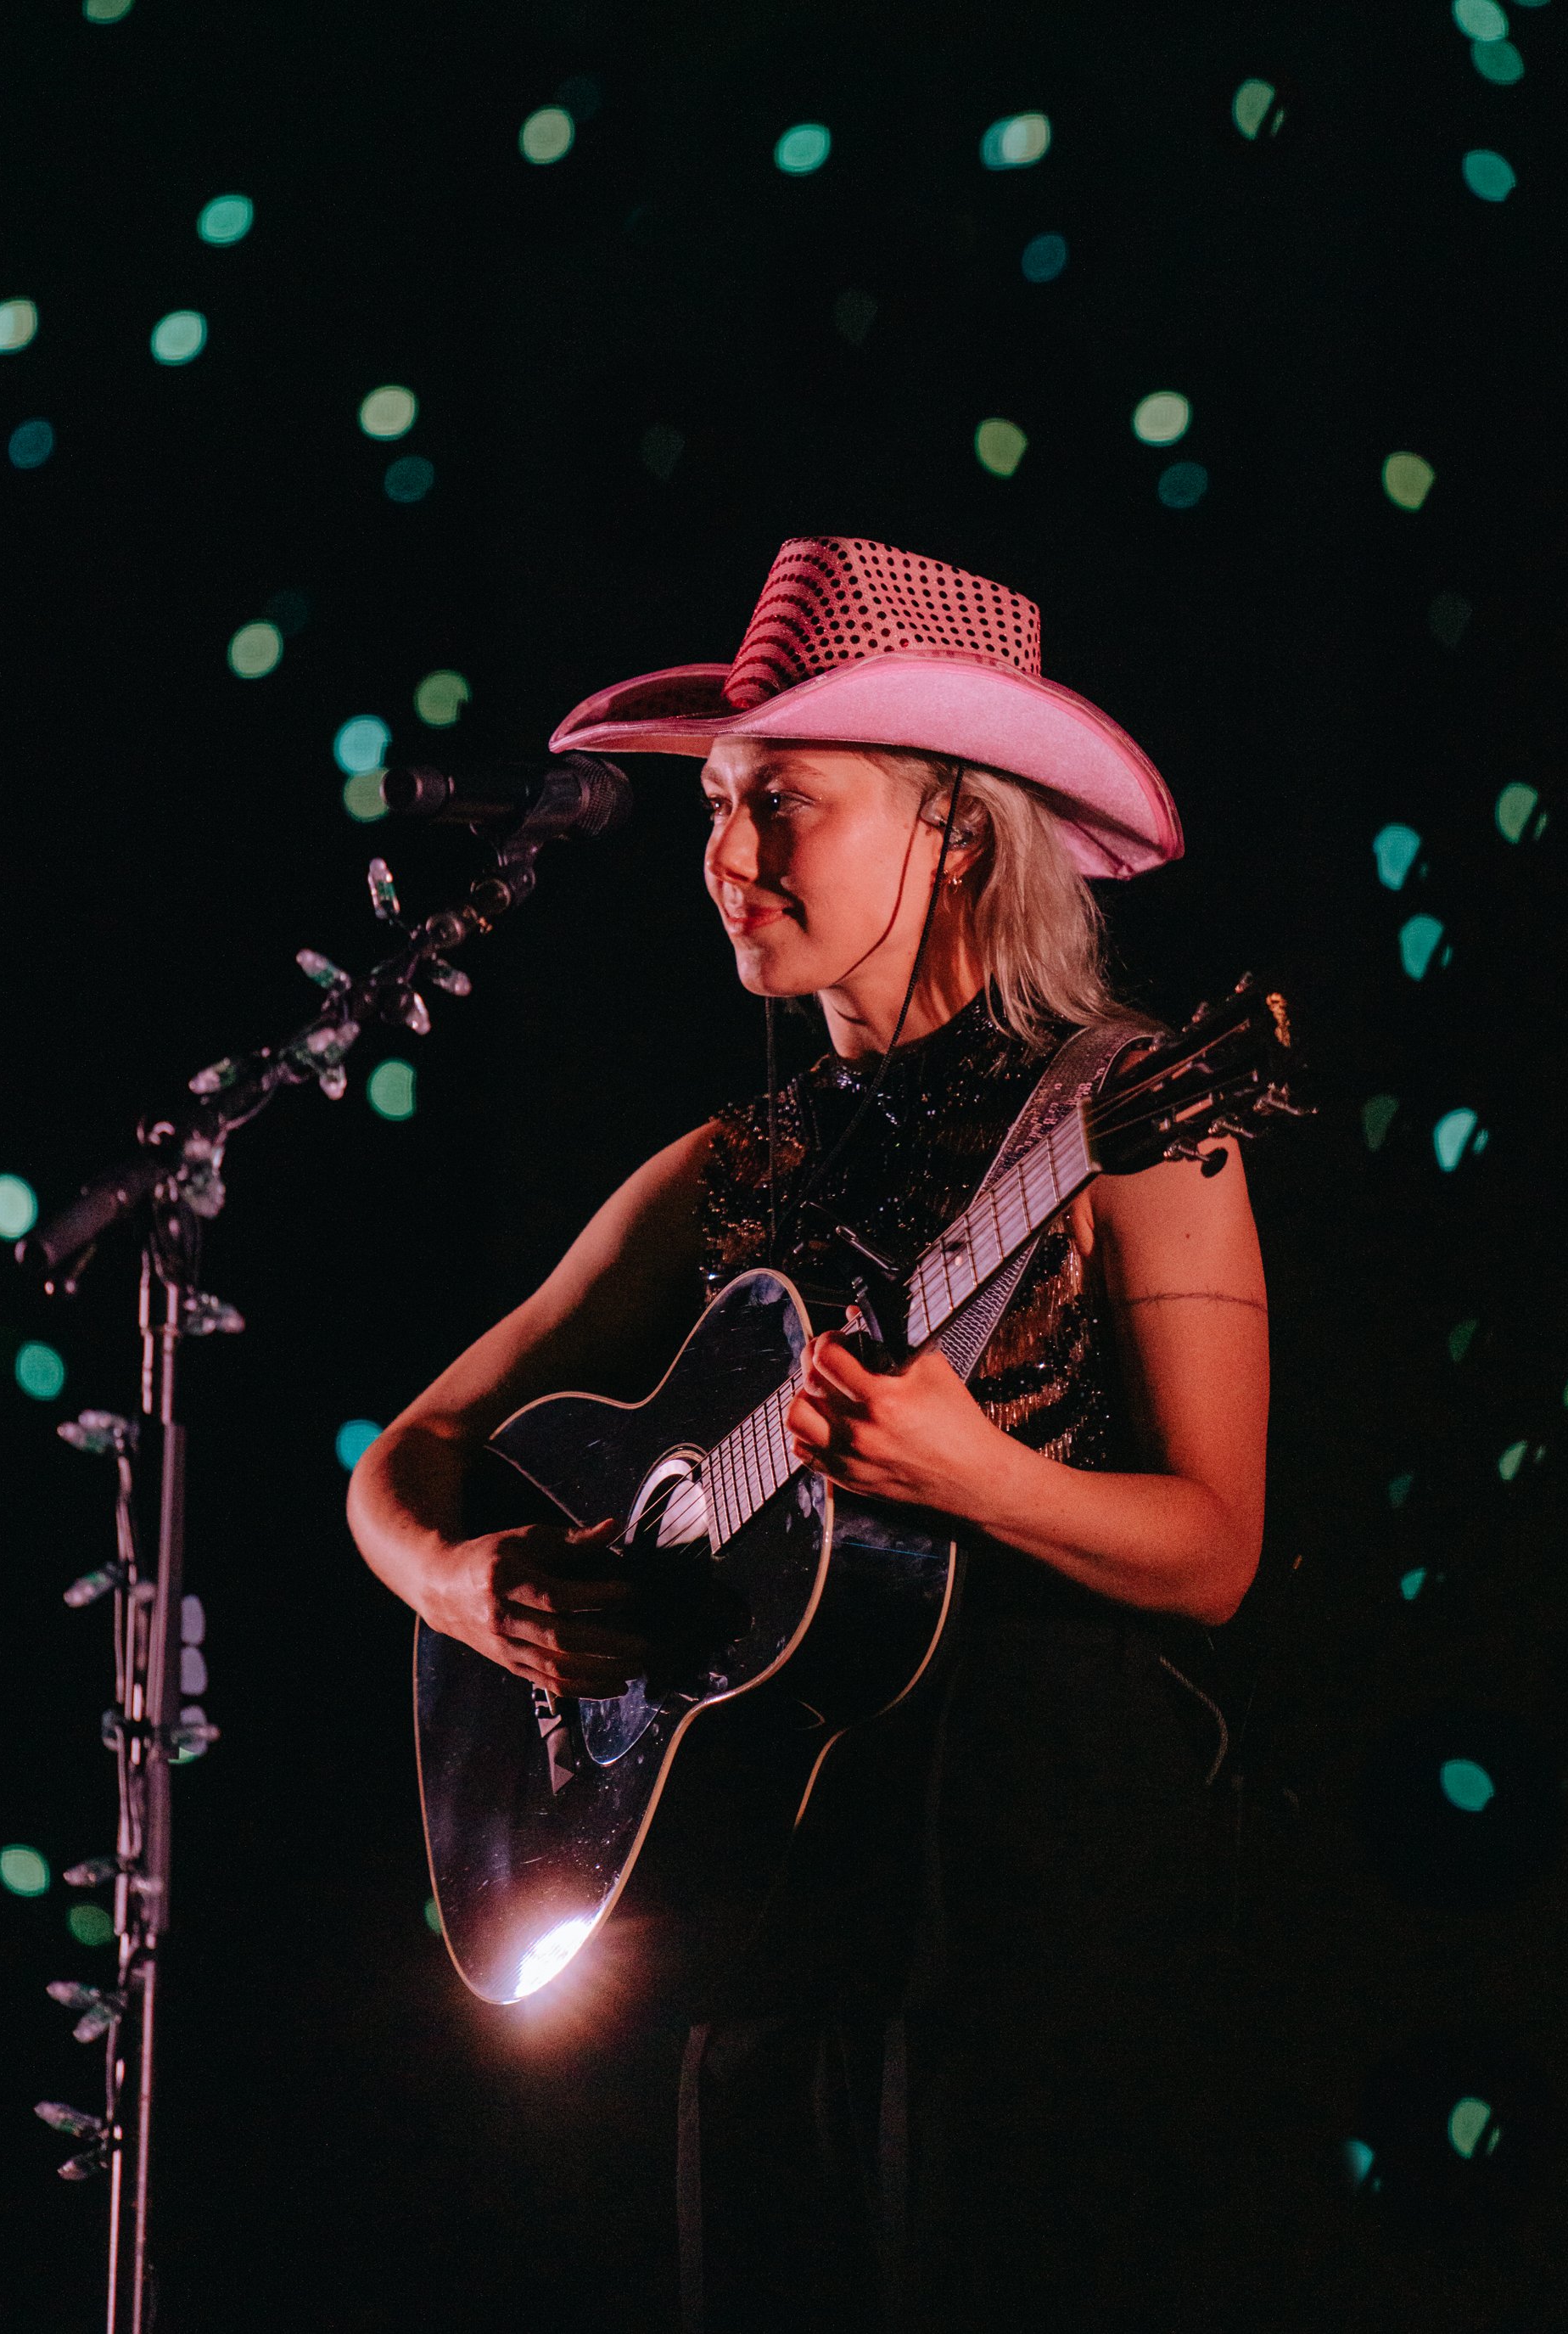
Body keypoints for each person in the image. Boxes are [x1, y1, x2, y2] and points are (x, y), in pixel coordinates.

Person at [347, 537, 1268, 2332]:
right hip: (772, 1891)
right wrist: (468, 1582)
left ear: (954, 827)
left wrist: (978, 1477)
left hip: (1031, 1887)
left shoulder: (1135, 1117)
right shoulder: (721, 1166)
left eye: (786, 801)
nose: (726, 856)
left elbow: (1216, 1549)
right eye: (714, 801)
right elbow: (403, 1461)